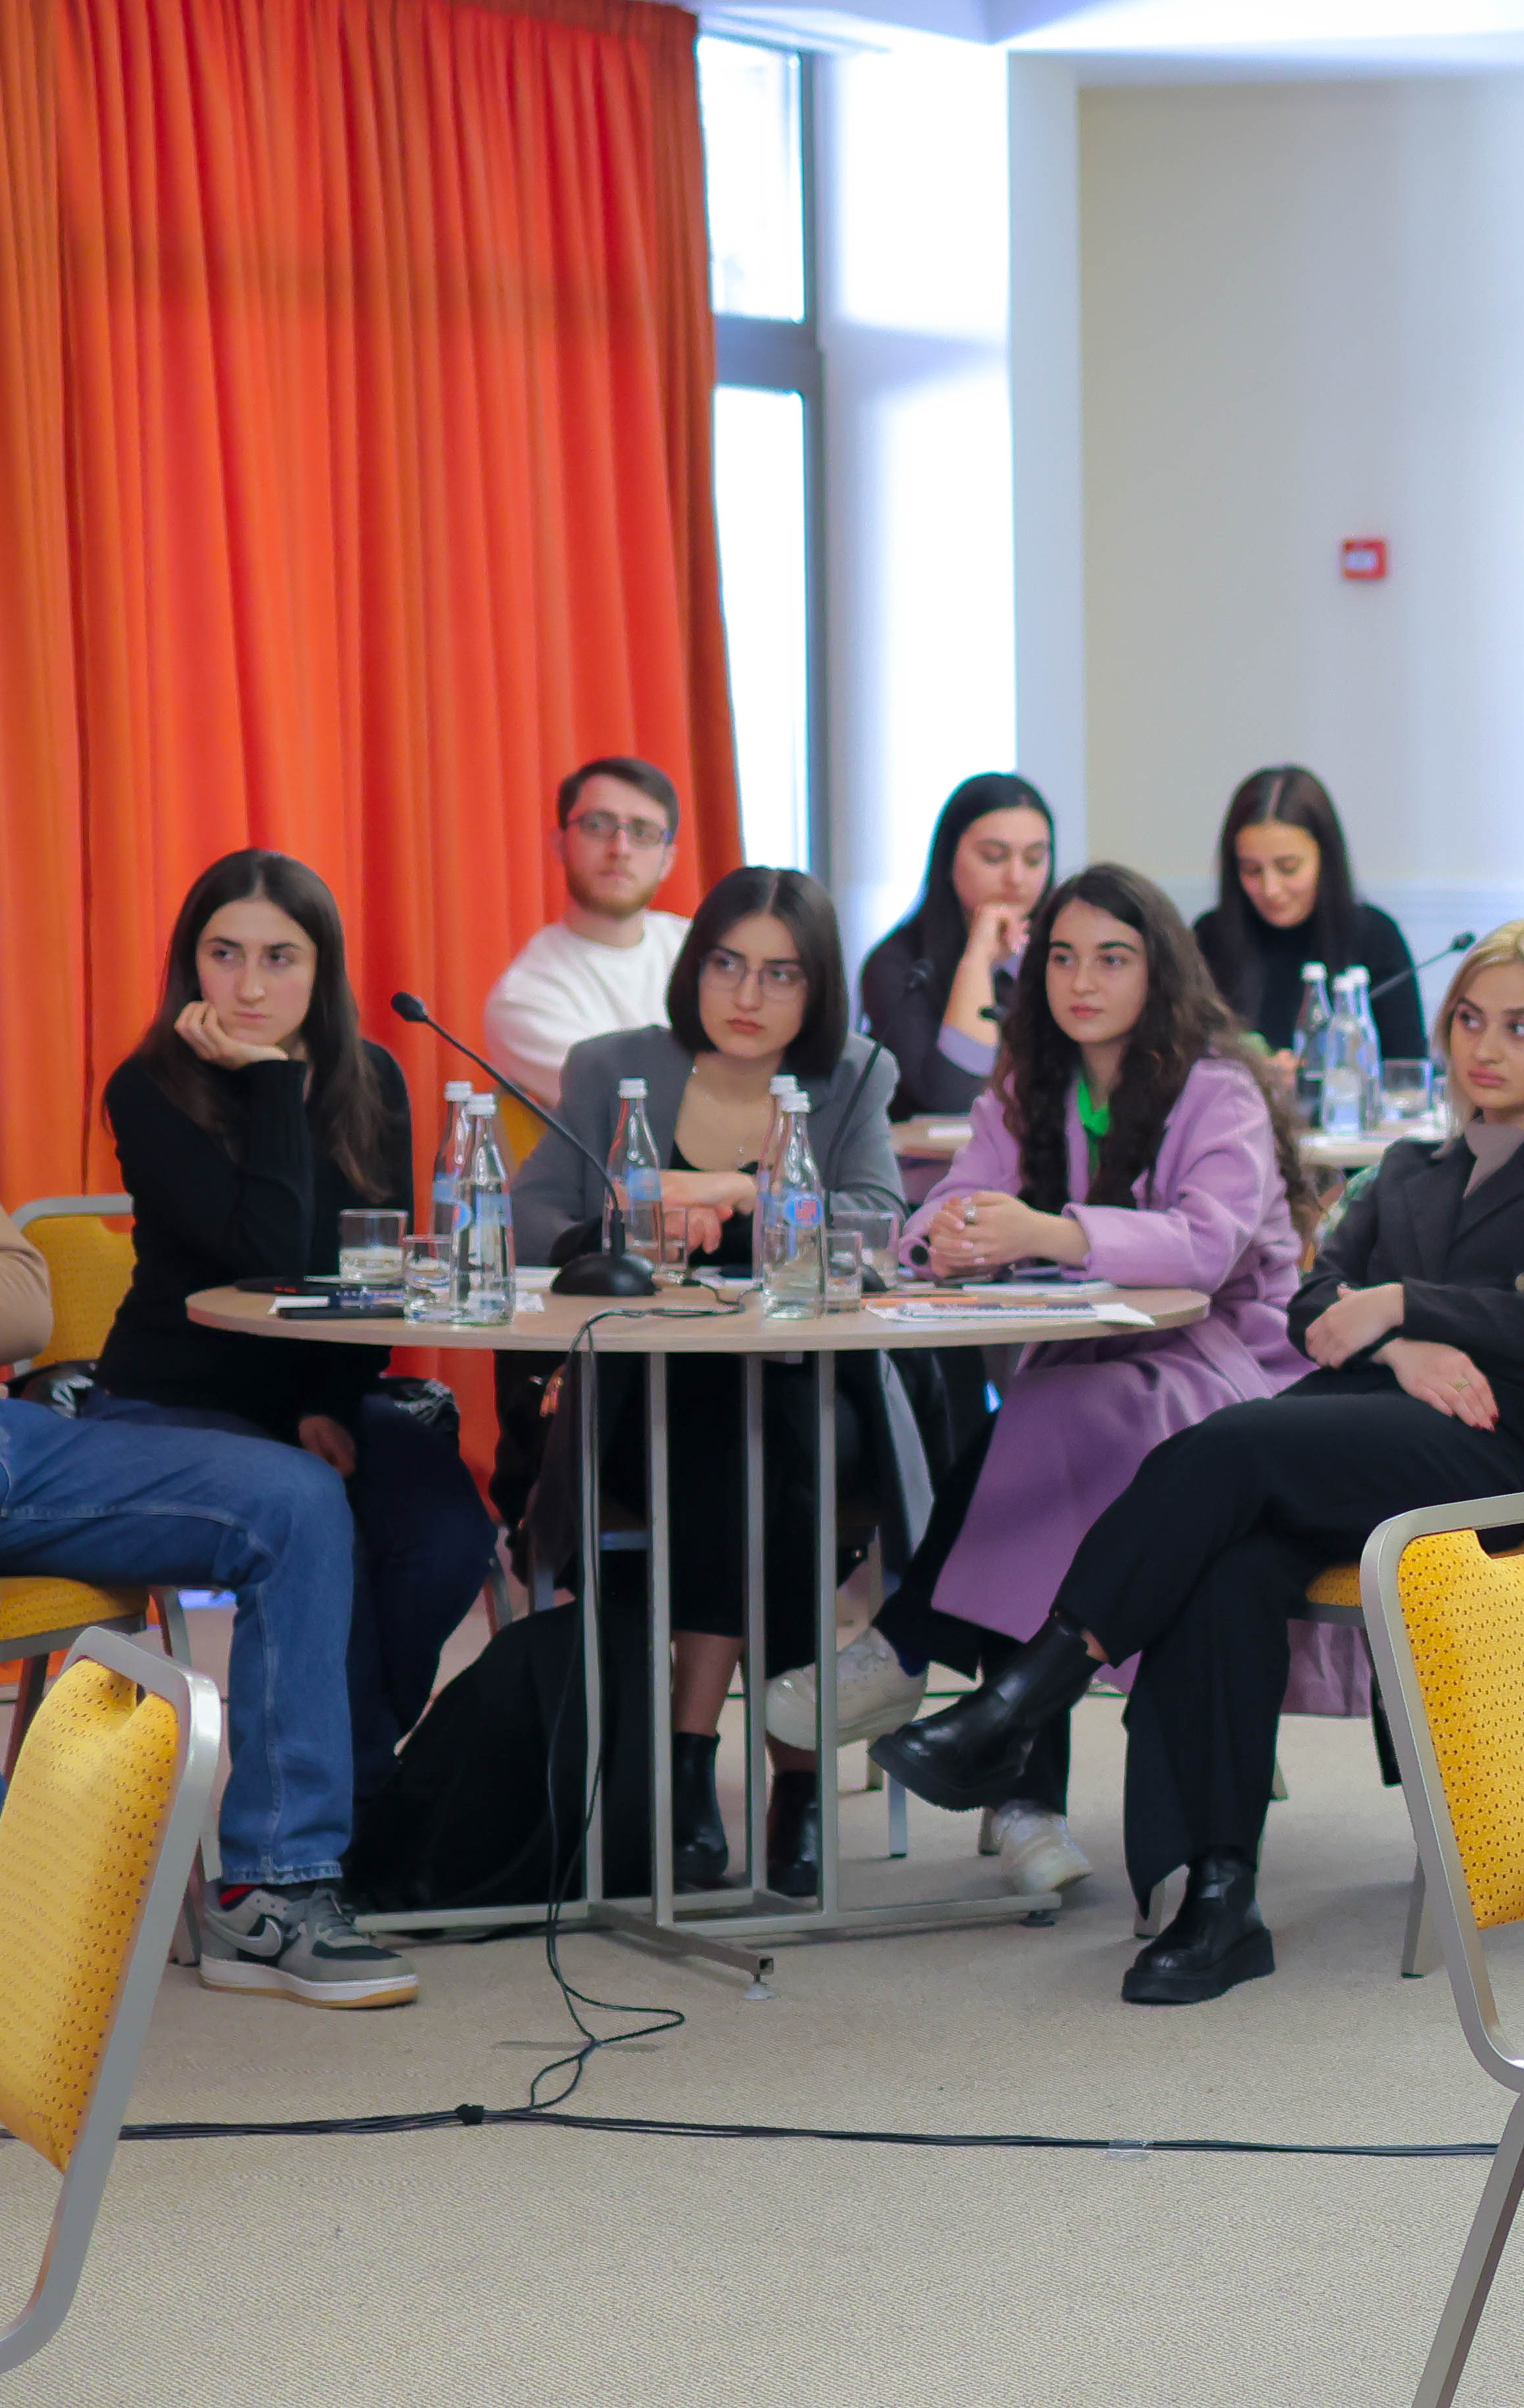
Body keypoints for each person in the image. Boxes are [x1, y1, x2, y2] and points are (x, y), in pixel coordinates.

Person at [874, 922, 1524, 2004]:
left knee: (1225, 1445)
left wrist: (1402, 1303)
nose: (1487, 1048)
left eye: (1522, 1027)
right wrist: (1397, 1342)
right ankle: (1218, 1896)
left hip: (1482, 1451)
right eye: (1470, 1021)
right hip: (1351, 1425)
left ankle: (1022, 1699)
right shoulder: (1411, 1167)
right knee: (1225, 1569)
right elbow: (1314, 1300)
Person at [0, 1052, 408, 2007]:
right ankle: (6, 1954)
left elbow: (18, 1304)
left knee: (294, 1498)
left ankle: (272, 1891)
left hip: (0, 1431)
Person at [859, 864, 1318, 1901]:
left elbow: (1204, 1247)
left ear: (1160, 972)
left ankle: (923, 1663)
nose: (1080, 981)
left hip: (1232, 1367)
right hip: (1096, 1363)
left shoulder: (1219, 1088)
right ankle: (1011, 1768)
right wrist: (948, 1236)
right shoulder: (1026, 1084)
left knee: (1050, 1416)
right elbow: (946, 1206)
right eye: (1061, 957)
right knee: (1055, 1418)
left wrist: (1053, 1232)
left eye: (1112, 958)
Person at [510, 869, 912, 1895]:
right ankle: (791, 1780)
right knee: (740, 1444)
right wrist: (632, 1219)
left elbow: (879, 1224)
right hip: (644, 1399)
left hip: (814, 1394)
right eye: (727, 964)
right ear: (694, 966)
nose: (747, 994)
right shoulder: (612, 1067)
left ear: (818, 987)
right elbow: (527, 1216)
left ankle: (693, 1765)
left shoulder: (856, 1074)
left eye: (781, 973)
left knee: (772, 1434)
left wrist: (748, 1190)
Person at [92, 850, 497, 1784]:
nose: (249, 986)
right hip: (173, 1402)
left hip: (324, 1389)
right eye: (224, 954)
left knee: (448, 1538)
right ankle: (335, 1811)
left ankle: (355, 1774)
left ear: (322, 969)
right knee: (324, 1538)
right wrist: (273, 1080)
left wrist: (328, 1401)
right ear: (190, 963)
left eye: (280, 958)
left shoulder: (372, 1078)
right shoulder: (148, 1085)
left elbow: (372, 1272)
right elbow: (266, 1258)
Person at [1192, 764, 1421, 1072]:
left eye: (1288, 868)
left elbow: (1405, 1071)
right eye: (1251, 870)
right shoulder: (1209, 937)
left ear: (1325, 860)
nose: (1271, 889)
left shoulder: (1375, 937)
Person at [857, 772, 1056, 1123]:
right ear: (949, 858)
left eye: (1034, 858)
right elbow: (953, 1097)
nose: (1016, 877)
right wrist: (978, 961)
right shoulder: (900, 964)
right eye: (994, 857)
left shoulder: (1062, 957)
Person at [484, 758, 688, 1090]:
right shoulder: (525, 997)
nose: (620, 849)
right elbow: (634, 1105)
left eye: (643, 832)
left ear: (668, 861)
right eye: (597, 825)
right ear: (560, 845)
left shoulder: (703, 950)